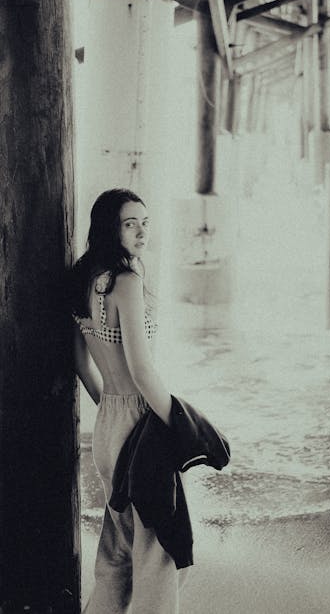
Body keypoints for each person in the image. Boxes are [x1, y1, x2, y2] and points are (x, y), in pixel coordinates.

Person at [69, 188, 186, 614]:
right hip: (141, 420)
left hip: (107, 429)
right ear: (109, 228)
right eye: (129, 223)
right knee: (160, 554)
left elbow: (82, 365)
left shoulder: (83, 280)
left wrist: (112, 413)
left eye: (145, 222)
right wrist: (177, 421)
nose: (141, 233)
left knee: (117, 554)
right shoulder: (128, 282)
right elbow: (141, 369)